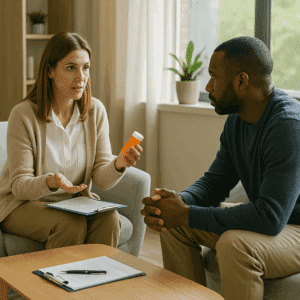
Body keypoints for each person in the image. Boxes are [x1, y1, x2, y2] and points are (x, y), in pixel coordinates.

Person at [141, 36, 300, 300]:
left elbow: (271, 217)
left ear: (241, 81)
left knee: (234, 245)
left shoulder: (287, 126)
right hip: (276, 219)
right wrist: (175, 203)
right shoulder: (238, 121)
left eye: (214, 76)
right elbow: (214, 183)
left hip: (292, 225)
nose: (208, 86)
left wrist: (187, 214)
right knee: (172, 224)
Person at [0, 32, 142, 250]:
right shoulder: (24, 115)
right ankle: (57, 283)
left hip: (74, 203)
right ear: (50, 71)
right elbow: (19, 187)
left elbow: (101, 178)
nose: (81, 77)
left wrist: (118, 164)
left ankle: (98, 283)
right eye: (70, 68)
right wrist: (51, 182)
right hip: (22, 205)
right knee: (70, 223)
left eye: (85, 67)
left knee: (110, 218)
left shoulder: (95, 111)